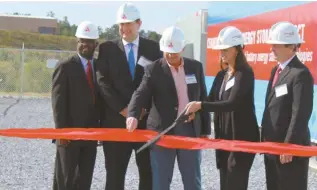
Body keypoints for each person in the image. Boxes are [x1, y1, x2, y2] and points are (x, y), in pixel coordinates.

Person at [126, 26, 211, 190]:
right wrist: (132, 115)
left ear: (183, 49)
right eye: (168, 52)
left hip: (189, 130)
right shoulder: (153, 69)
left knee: (192, 180)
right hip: (162, 133)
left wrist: (205, 129)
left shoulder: (196, 67)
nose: (171, 56)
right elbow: (140, 93)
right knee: (161, 182)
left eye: (175, 52)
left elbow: (202, 98)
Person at [95, 2, 162, 190]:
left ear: (139, 23)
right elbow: (103, 83)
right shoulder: (107, 49)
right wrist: (124, 111)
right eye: (121, 24)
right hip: (115, 122)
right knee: (115, 176)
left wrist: (143, 109)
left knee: (148, 175)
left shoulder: (153, 49)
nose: (123, 28)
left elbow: (157, 83)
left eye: (128, 24)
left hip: (145, 122)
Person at [184, 26, 260, 190]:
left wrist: (201, 106)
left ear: (237, 49)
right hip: (224, 136)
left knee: (235, 183)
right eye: (220, 50)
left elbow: (231, 103)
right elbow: (211, 99)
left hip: (241, 138)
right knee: (225, 182)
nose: (222, 53)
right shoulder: (222, 75)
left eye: (225, 49)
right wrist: (195, 109)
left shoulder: (245, 73)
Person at [261, 21, 314, 190]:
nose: (272, 49)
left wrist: (289, 145)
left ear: (291, 46)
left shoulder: (301, 74)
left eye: (276, 45)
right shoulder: (275, 71)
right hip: (273, 148)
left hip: (288, 151)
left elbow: (300, 113)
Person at [51, 21, 101, 190]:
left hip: (91, 135)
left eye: (88, 41)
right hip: (69, 135)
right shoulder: (65, 67)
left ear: (96, 44)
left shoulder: (99, 67)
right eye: (81, 40)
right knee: (66, 180)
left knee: (85, 180)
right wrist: (61, 132)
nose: (84, 45)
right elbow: (58, 103)